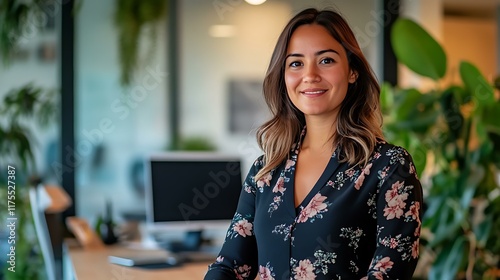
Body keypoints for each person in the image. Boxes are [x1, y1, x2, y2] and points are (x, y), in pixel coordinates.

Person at [204, 7, 423, 280]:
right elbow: (230, 265)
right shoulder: (266, 170)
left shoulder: (389, 167)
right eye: (296, 63)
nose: (310, 75)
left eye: (326, 60)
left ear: (352, 71)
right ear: (284, 78)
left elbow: (390, 273)